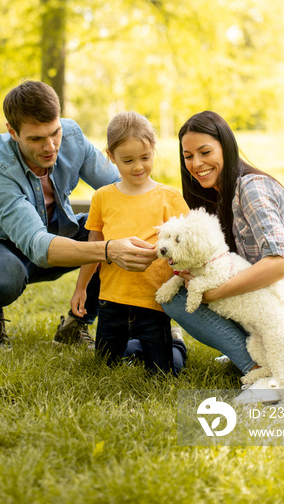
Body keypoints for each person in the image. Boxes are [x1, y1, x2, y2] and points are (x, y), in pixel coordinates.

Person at [0, 81, 156, 345]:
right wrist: (108, 250)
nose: (50, 146)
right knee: (4, 278)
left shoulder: (72, 136)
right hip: (1, 248)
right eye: (36, 139)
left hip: (58, 232)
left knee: (115, 226)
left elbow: (121, 188)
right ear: (12, 132)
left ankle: (77, 324)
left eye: (54, 132)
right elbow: (37, 245)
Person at [160, 111, 284, 400]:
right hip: (275, 320)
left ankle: (263, 373)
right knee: (172, 291)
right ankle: (256, 362)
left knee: (184, 298)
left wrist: (211, 293)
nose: (196, 164)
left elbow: (281, 264)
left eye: (205, 152)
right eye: (188, 156)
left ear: (226, 147)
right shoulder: (220, 196)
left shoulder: (251, 188)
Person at [70, 111, 189, 374]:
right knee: (105, 366)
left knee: (164, 372)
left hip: (154, 302)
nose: (138, 166)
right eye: (128, 160)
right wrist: (81, 288)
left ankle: (175, 344)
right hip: (111, 300)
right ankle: (135, 345)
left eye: (145, 158)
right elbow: (95, 246)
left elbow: (187, 246)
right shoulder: (102, 197)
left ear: (153, 151)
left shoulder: (169, 197)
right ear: (110, 157)